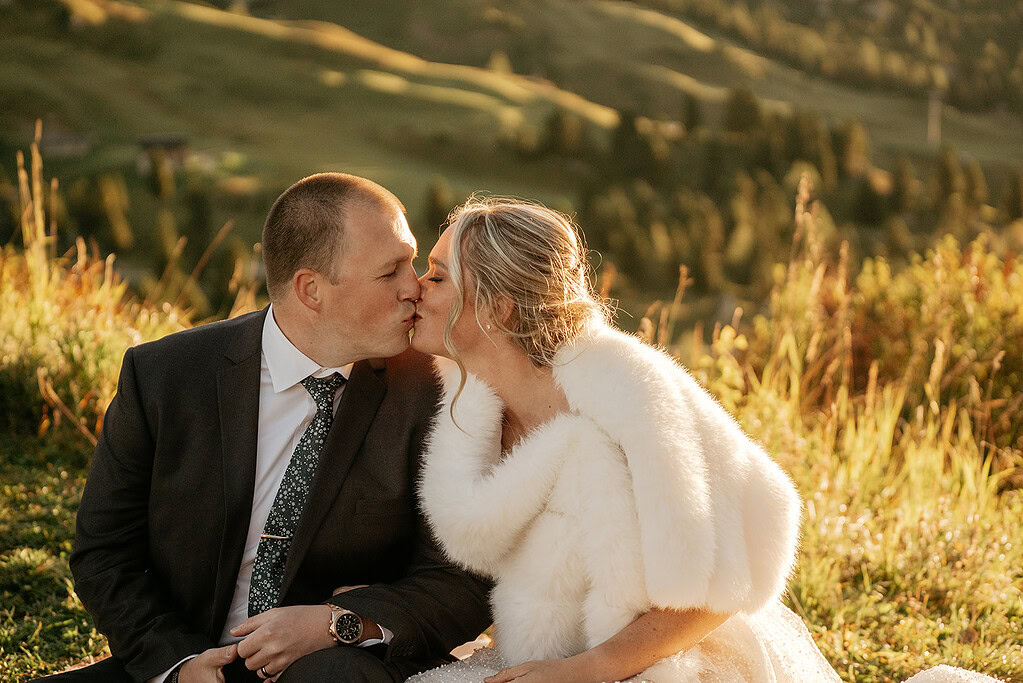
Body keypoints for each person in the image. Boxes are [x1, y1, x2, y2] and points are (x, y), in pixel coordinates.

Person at [404, 197, 1000, 683]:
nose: (416, 288)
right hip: (551, 656)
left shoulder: (631, 394)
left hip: (675, 654)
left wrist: (593, 668)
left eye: (435, 275)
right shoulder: (466, 401)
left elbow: (729, 578)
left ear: (497, 309)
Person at [37, 174, 491, 683]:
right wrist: (178, 662)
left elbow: (463, 580)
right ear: (311, 290)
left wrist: (341, 623)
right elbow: (105, 552)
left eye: (410, 261)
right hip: (185, 663)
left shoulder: (438, 392)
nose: (415, 288)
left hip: (335, 670)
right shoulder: (165, 376)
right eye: (390, 273)